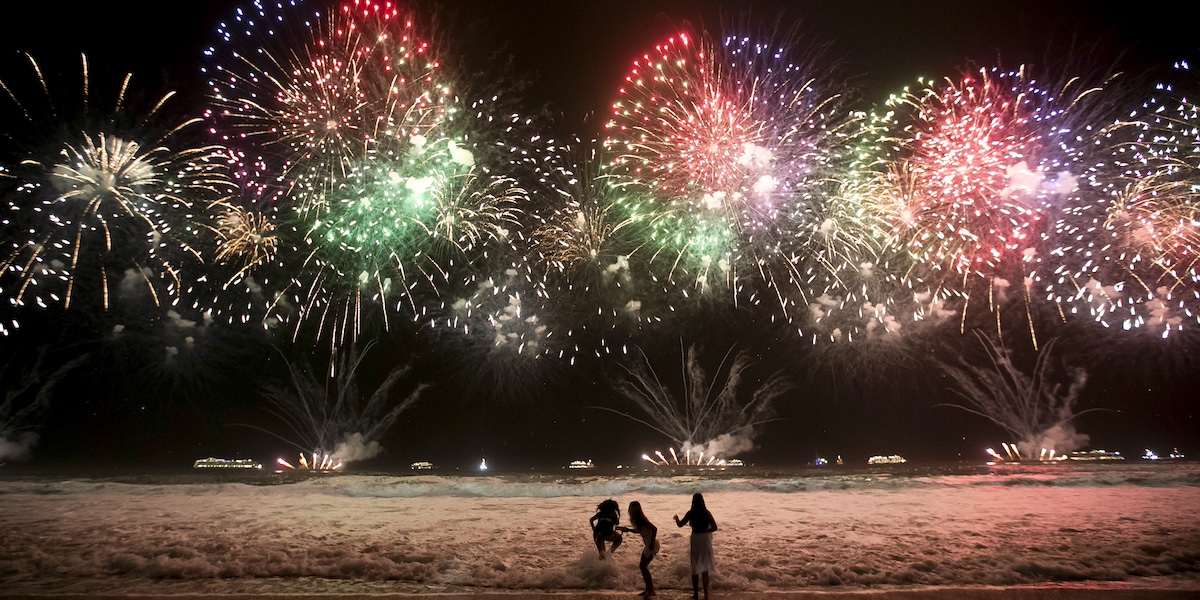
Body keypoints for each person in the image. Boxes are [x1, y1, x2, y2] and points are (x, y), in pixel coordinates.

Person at [674, 493, 717, 600]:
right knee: (705, 567)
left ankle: (696, 594)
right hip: (705, 539)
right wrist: (706, 531)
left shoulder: (691, 513)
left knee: (695, 565)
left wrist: (676, 518)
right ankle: (706, 594)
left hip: (696, 539)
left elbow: (680, 524)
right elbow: (715, 527)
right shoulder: (706, 512)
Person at [618, 501, 659, 596]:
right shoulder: (637, 520)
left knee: (643, 566)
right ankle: (648, 589)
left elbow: (654, 529)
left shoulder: (641, 519)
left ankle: (651, 590)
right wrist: (628, 530)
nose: (631, 510)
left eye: (632, 508)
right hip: (649, 544)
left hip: (652, 544)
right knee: (643, 566)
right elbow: (640, 531)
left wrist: (652, 543)